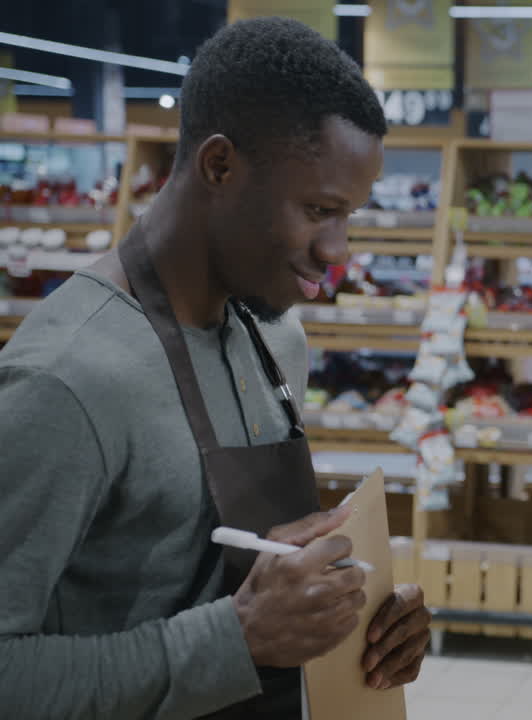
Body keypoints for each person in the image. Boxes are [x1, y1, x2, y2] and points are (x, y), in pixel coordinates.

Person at [0, 17, 431, 718]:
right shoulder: (67, 379)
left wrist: (357, 623)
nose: (338, 250)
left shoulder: (277, 338)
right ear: (220, 166)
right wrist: (238, 637)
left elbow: (244, 580)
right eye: (318, 209)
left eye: (348, 215)